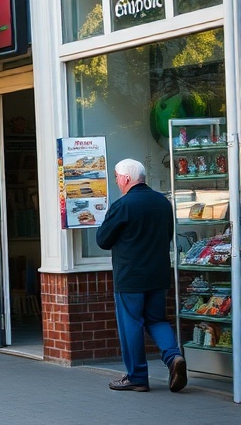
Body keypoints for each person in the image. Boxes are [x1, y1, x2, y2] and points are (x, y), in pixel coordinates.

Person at [96, 158, 187, 393]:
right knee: (157, 320)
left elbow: (103, 240)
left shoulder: (123, 205)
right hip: (158, 274)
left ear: (126, 178)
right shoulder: (163, 203)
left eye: (117, 177)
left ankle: (137, 377)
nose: (117, 181)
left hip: (130, 277)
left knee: (131, 324)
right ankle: (173, 357)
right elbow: (167, 235)